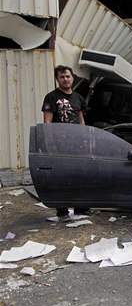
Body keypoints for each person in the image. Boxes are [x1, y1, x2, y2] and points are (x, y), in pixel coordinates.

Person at [41, 65, 89, 222]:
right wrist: (50, 144)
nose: (65, 79)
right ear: (57, 79)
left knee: (78, 176)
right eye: (62, 77)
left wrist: (84, 139)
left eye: (68, 76)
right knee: (60, 177)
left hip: (76, 145)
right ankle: (62, 212)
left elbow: (81, 120)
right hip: (59, 145)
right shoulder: (51, 97)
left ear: (73, 78)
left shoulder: (78, 98)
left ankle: (80, 208)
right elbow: (47, 122)